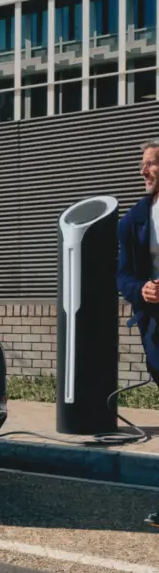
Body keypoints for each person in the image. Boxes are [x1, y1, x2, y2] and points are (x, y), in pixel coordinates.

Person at [116, 138, 159, 529]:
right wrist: (140, 290)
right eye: (143, 164)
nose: (143, 171)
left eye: (151, 164)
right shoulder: (133, 222)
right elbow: (123, 276)